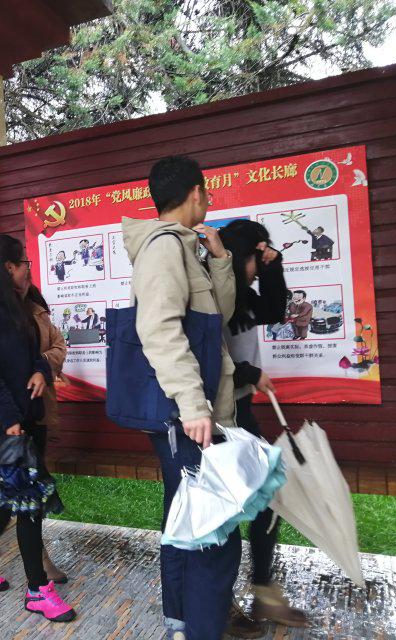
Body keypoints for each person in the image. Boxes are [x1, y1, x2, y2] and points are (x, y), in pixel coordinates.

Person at [121, 156, 240, 640]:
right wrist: (193, 405)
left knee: (187, 518)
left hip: (194, 413)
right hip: (187, 417)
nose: (207, 199)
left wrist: (221, 260)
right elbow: (159, 330)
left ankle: (182, 622)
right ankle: (198, 627)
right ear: (196, 192)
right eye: (206, 192)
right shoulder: (163, 248)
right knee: (214, 535)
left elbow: (216, 320)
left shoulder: (186, 248)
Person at [0, 235, 75, 623]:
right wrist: (10, 421)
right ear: (8, 267)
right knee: (29, 499)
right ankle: (38, 590)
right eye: (25, 263)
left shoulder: (15, 303)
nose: (28, 270)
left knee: (11, 496)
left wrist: (40, 370)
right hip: (1, 419)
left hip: (27, 413)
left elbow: (34, 352)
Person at [218, 221, 308, 637]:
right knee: (222, 511)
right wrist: (249, 372)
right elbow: (201, 355)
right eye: (257, 257)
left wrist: (274, 266)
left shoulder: (244, 293)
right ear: (241, 257)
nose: (258, 267)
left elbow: (273, 311)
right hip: (215, 417)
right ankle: (219, 601)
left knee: (268, 496)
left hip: (241, 408)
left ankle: (263, 590)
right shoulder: (212, 293)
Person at [27, 284, 69, 583]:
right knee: (31, 487)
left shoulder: (40, 314)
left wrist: (38, 364)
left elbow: (59, 348)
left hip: (40, 409)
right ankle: (40, 561)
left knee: (29, 485)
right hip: (11, 414)